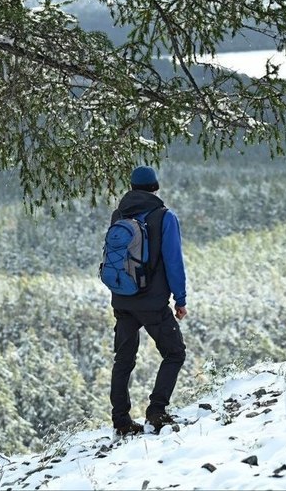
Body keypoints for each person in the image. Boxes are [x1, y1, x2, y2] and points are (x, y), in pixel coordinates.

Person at [108, 165, 188, 436]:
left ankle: (121, 421)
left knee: (123, 361)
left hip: (122, 298)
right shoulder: (164, 217)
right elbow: (173, 261)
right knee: (175, 353)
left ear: (131, 187)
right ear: (155, 187)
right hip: (152, 303)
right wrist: (180, 298)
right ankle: (156, 411)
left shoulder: (118, 215)